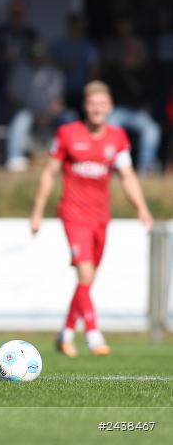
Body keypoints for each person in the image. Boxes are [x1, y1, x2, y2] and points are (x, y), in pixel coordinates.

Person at [30, 81, 153, 357]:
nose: (97, 109)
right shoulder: (67, 134)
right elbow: (49, 173)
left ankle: (66, 334)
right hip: (73, 214)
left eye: (102, 104)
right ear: (85, 106)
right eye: (92, 104)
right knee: (85, 273)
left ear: (110, 107)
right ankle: (94, 334)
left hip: (101, 217)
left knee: (88, 279)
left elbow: (127, 176)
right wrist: (37, 211)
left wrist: (142, 208)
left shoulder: (117, 137)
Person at [102, 19, 161, 173]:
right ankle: (108, 165)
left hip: (138, 112)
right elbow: (107, 91)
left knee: (152, 130)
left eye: (136, 51)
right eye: (130, 51)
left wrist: (146, 106)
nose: (133, 53)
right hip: (118, 110)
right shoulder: (115, 71)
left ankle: (145, 167)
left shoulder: (146, 72)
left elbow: (150, 93)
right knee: (109, 126)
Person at [5, 43, 66, 172]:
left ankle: (70, 158)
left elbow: (58, 101)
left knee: (69, 117)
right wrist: (35, 114)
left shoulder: (53, 72)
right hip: (28, 112)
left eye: (40, 55)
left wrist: (47, 115)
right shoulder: (21, 71)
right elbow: (13, 98)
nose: (38, 58)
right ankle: (15, 158)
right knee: (22, 118)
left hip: (49, 114)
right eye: (35, 56)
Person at [0, 0, 39, 124]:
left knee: (22, 121)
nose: (17, 14)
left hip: (24, 87)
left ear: (24, 12)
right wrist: (3, 55)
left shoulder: (30, 33)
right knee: (1, 122)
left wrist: (28, 57)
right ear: (9, 11)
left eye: (19, 12)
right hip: (1, 84)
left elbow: (39, 55)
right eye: (14, 11)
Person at [49, 12, 99, 114]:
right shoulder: (57, 45)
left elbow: (94, 71)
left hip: (82, 93)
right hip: (60, 93)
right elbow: (48, 67)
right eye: (75, 26)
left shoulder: (89, 47)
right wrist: (63, 66)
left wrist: (92, 92)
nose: (78, 30)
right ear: (69, 26)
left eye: (81, 27)